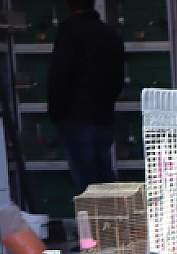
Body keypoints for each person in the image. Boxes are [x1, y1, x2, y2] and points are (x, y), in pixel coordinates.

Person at [48, 0, 125, 192]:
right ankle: (113, 220)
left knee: (87, 183)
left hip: (74, 118)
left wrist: (56, 113)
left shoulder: (69, 32)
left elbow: (59, 76)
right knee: (105, 177)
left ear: (67, 4)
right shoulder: (110, 34)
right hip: (103, 117)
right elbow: (118, 78)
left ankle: (93, 222)